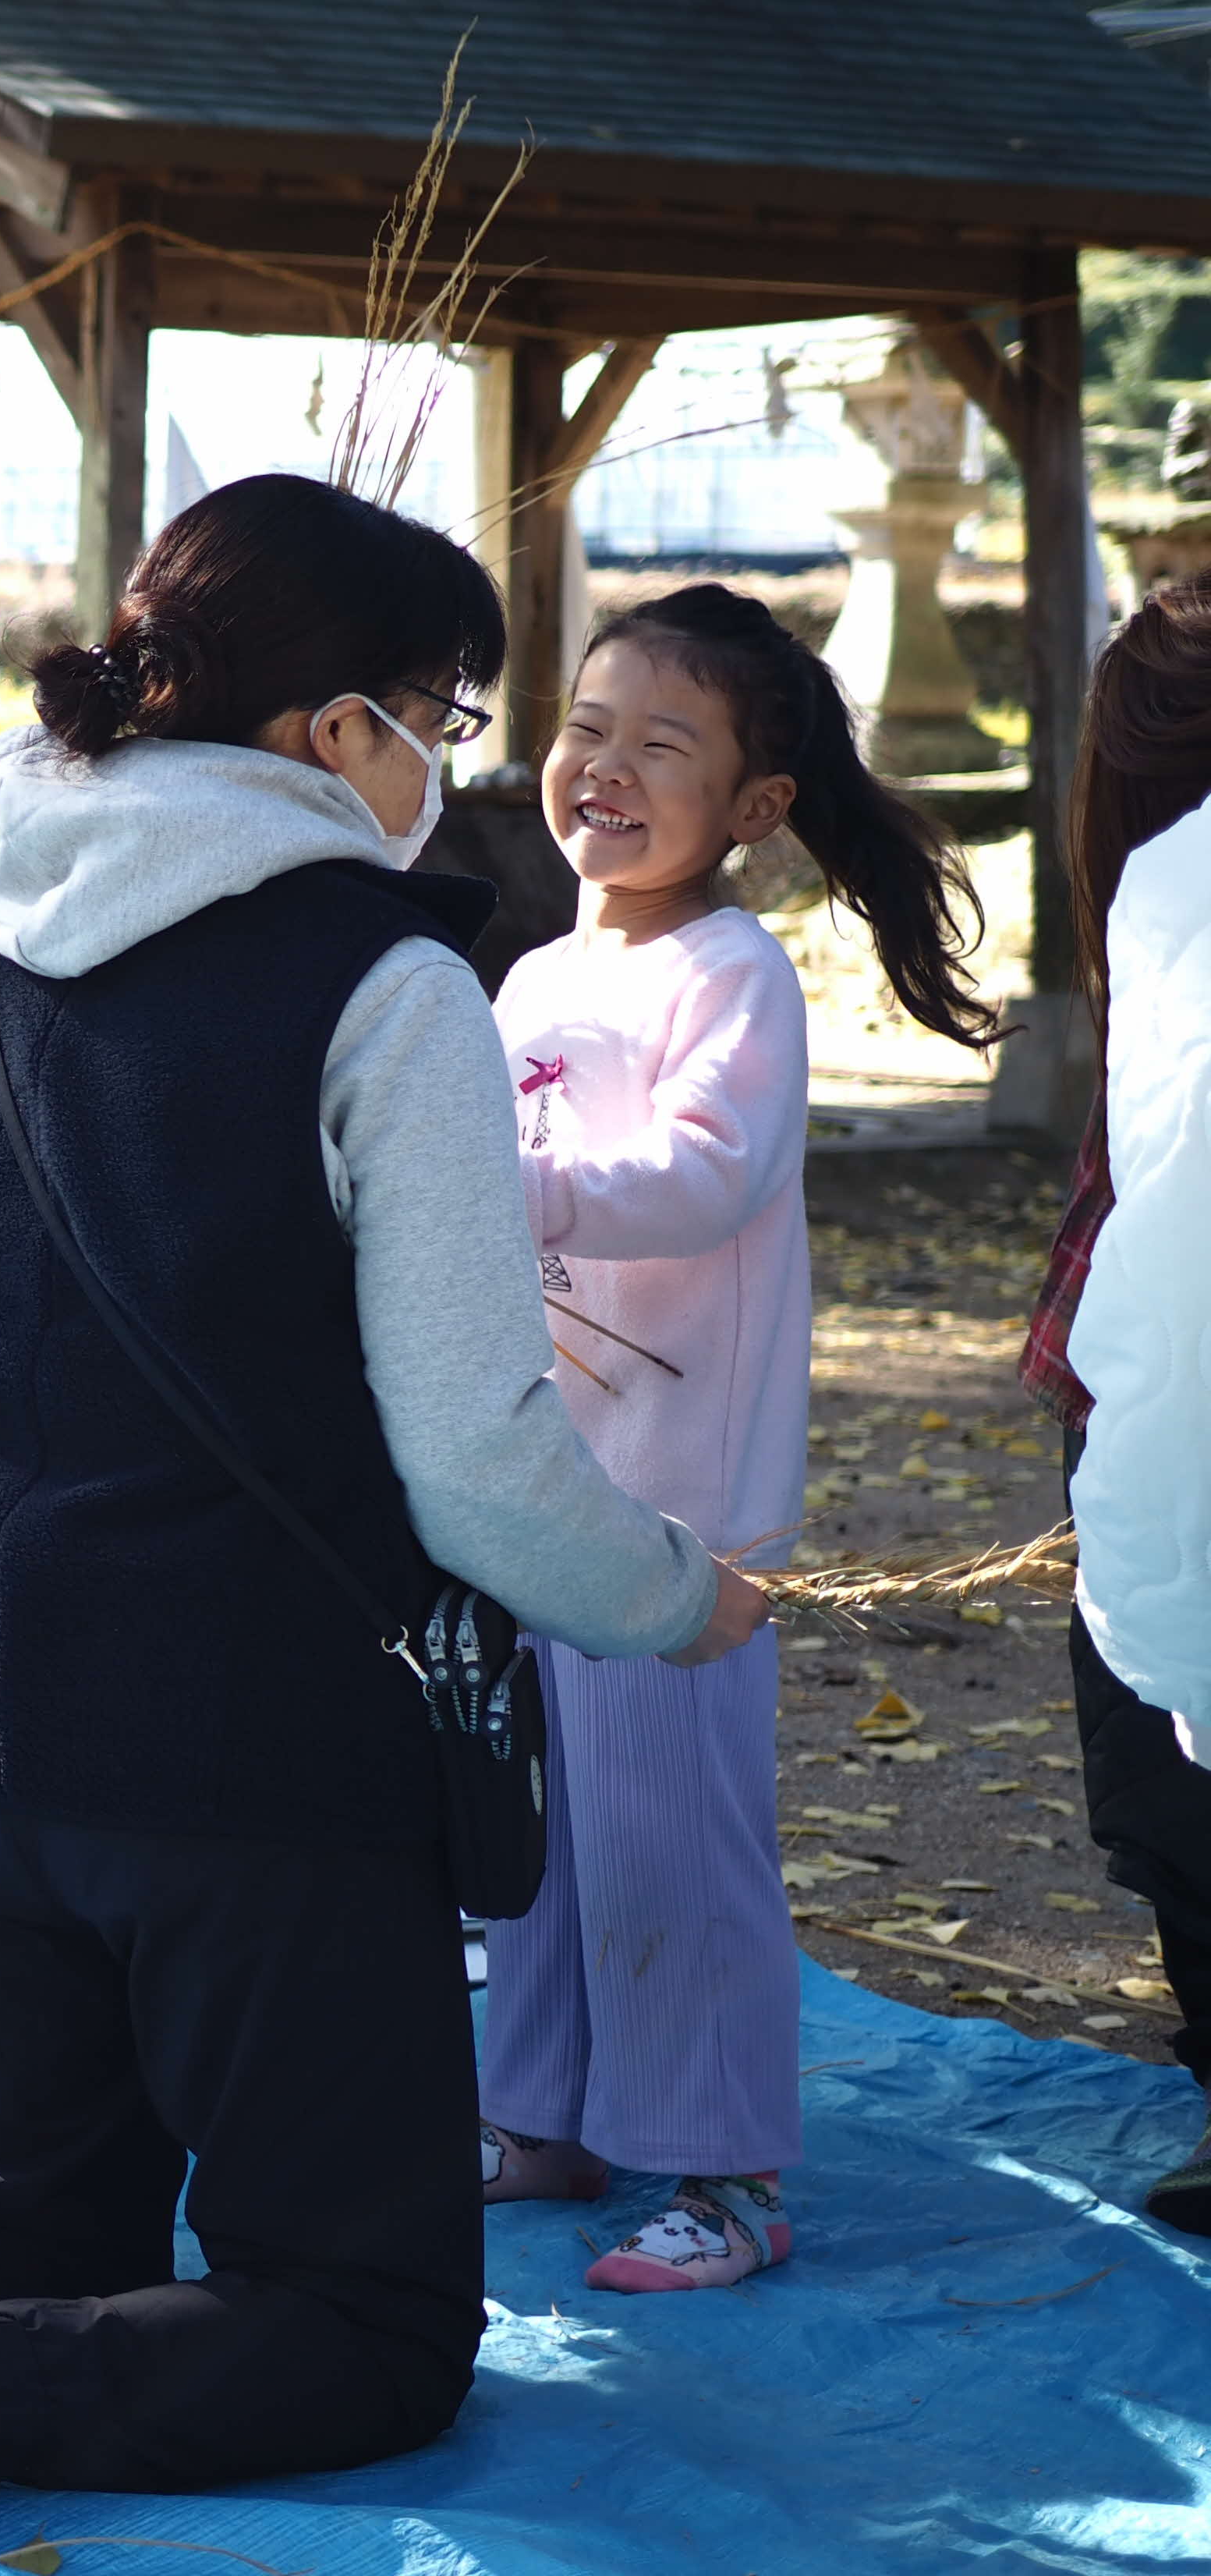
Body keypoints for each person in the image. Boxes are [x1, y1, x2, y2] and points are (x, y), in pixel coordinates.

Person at [0, 475, 774, 2571]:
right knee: (370, 2321)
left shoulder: (13, 939)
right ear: (336, 731)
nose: (464, 764)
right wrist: (680, 1599)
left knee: (15, 2224)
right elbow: (478, 1461)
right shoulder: (382, 982)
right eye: (444, 708)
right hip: (243, 1758)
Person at [479, 584, 1000, 2291]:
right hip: (535, 1488)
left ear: (757, 810)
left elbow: (712, 1176)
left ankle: (727, 2176)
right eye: (588, 727)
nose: (605, 768)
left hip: (674, 1513)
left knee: (672, 1846)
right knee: (534, 1839)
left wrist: (507, 1187)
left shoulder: (733, 975)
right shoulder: (543, 968)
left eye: (661, 743)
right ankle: (545, 2120)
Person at [1026, 578, 1211, 2234]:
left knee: (1172, 1772)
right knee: (1162, 1775)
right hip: (1142, 1362)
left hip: (1161, 1372)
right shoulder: (1168, 907)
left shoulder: (1178, 886)